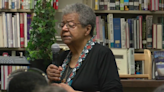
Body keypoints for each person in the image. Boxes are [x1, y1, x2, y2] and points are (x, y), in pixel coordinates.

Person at [46, 3, 123, 92]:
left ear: (87, 29)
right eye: (62, 25)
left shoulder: (102, 54)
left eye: (70, 25)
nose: (64, 29)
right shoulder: (63, 56)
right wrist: (50, 80)